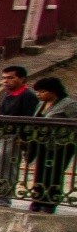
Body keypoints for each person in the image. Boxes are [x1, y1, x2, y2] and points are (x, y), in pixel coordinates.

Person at [0, 65, 36, 205]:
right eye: (4, 78)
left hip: (12, 138)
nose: (5, 81)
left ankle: (1, 199)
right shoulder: (7, 94)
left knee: (5, 170)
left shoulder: (27, 96)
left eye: (10, 78)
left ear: (22, 79)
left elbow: (29, 120)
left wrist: (23, 139)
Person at [29, 76, 77, 212]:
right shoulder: (41, 104)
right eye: (37, 92)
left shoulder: (68, 104)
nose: (39, 95)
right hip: (42, 142)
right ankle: (37, 199)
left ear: (53, 91)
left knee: (54, 172)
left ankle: (50, 201)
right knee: (40, 172)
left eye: (42, 91)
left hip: (61, 145)